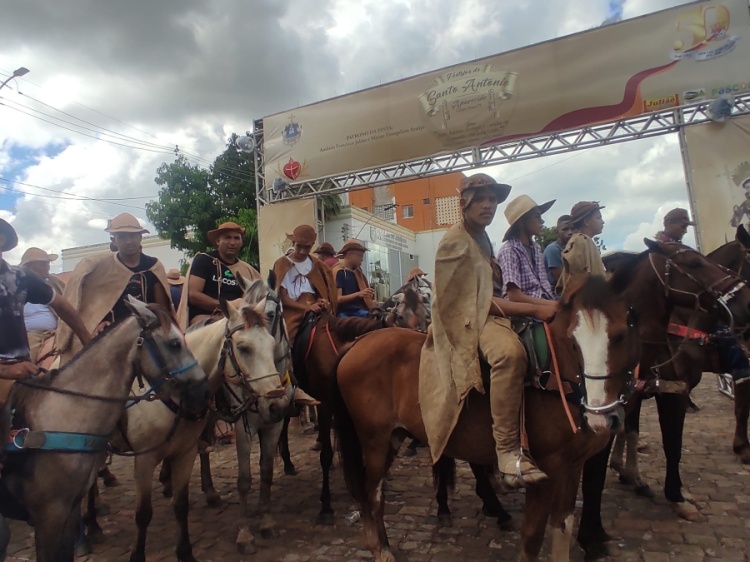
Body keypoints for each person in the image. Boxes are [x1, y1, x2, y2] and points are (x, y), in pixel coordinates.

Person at [419, 173, 556, 489]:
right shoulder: (455, 241)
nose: (488, 205)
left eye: (493, 199)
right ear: (463, 202)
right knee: (509, 354)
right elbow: (470, 302)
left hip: (488, 313)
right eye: (481, 198)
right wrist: (535, 308)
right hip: (464, 321)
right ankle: (507, 451)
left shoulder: (481, 236)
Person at [56, 213, 172, 364]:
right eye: (122, 237)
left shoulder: (153, 266)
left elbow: (162, 308)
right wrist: (98, 323)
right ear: (114, 241)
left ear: (140, 238)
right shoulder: (102, 268)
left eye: (133, 236)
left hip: (147, 330)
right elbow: (93, 305)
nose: (128, 241)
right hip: (110, 331)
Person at [177, 221, 260, 328]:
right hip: (204, 318)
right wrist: (227, 306)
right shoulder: (204, 260)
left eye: (236, 238)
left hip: (236, 320)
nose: (232, 242)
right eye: (227, 237)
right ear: (218, 241)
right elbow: (193, 295)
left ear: (241, 242)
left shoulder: (247, 269)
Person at [272, 225, 337, 342]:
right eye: (299, 246)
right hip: (292, 310)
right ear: (293, 243)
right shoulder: (281, 264)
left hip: (316, 307)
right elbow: (282, 296)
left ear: (312, 245)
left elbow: (323, 290)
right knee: (288, 337)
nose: (302, 251)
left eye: (307, 247)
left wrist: (323, 301)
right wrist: (306, 308)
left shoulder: (318, 265)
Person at [497, 195, 558, 306]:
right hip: (525, 314)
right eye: (536, 217)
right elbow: (514, 296)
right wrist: (552, 305)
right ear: (521, 223)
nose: (542, 221)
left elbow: (544, 287)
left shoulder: (536, 247)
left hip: (545, 303)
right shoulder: (509, 251)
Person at [19, 247, 66, 363]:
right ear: (29, 267)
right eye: (42, 264)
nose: (47, 267)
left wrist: (62, 327)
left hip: (58, 331)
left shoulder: (54, 282)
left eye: (48, 263)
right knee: (27, 360)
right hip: (31, 335)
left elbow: (70, 301)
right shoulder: (16, 287)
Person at [558, 201, 607, 292]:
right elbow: (578, 278)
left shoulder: (584, 241)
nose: (603, 222)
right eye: (598, 218)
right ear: (587, 221)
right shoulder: (580, 241)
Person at [332, 240, 376, 318]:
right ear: (349, 254)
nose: (362, 259)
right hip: (345, 312)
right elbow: (337, 299)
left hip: (359, 310)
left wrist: (371, 302)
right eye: (360, 255)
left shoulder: (358, 273)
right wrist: (359, 294)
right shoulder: (339, 272)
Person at [543, 215, 574, 287]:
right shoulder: (553, 249)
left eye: (572, 229)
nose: (570, 232)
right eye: (565, 229)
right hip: (554, 293)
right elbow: (562, 281)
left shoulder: (573, 249)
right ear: (557, 232)